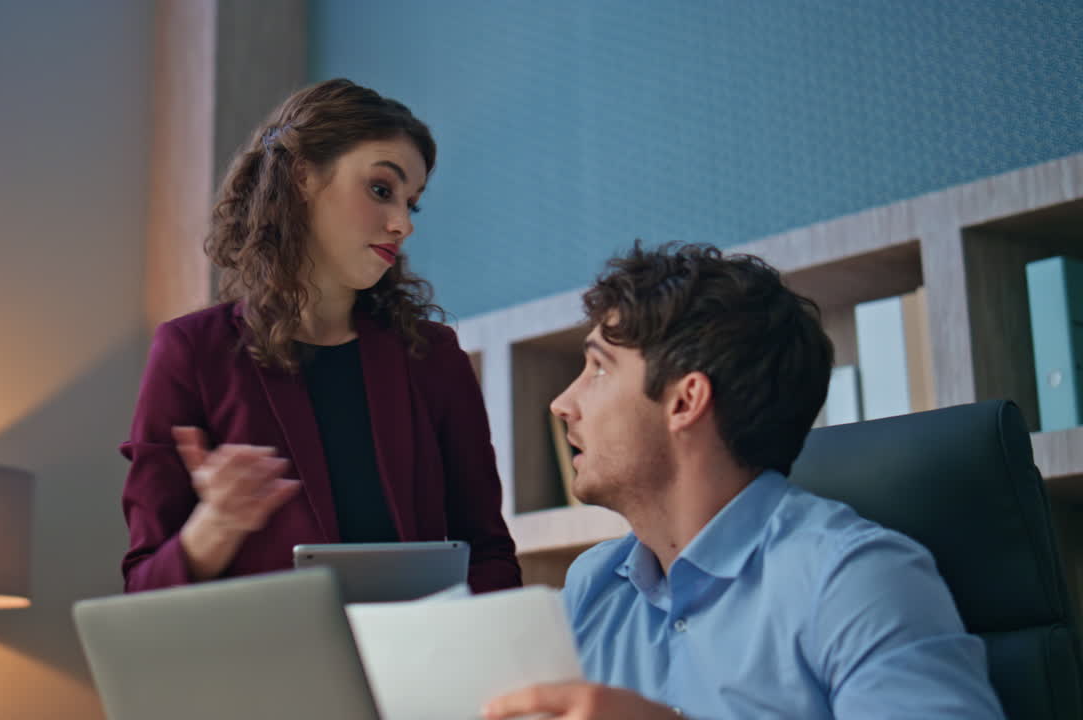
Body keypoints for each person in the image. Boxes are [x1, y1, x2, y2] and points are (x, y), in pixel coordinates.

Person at [484, 243, 1003, 719]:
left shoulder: (857, 578)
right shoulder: (592, 585)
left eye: (598, 369)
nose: (562, 403)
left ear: (685, 402)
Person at [120, 79, 521, 594]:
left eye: (412, 203)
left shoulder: (434, 358)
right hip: (260, 669)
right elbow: (143, 592)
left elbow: (487, 555)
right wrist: (213, 527)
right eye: (381, 189)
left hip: (418, 670)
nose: (402, 224)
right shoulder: (190, 352)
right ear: (302, 176)